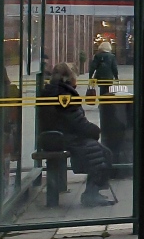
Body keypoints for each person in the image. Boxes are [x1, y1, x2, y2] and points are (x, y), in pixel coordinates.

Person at [39, 63, 115, 207]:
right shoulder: (64, 94)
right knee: (102, 154)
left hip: (55, 136)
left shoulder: (53, 90)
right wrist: (94, 130)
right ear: (69, 78)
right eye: (75, 77)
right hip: (65, 137)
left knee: (100, 152)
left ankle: (92, 192)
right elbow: (76, 122)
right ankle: (91, 194)